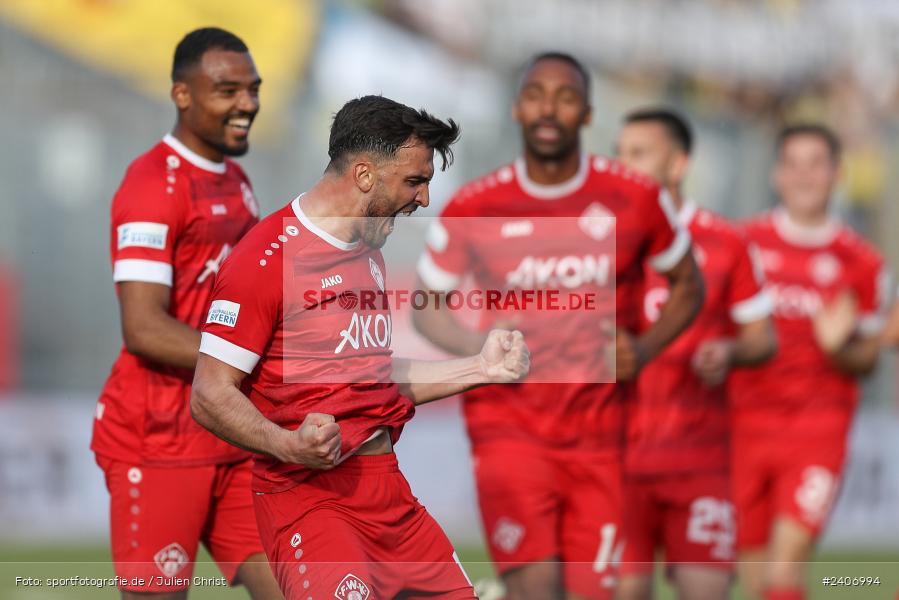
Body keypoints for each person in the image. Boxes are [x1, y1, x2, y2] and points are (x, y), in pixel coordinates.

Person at [190, 94, 530, 600]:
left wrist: (481, 367)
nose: (424, 200)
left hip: (387, 491)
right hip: (309, 500)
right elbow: (209, 393)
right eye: (415, 181)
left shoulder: (367, 252)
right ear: (366, 176)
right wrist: (288, 445)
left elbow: (370, 379)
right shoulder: (264, 259)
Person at [412, 53, 705, 600]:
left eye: (565, 97)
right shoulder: (478, 204)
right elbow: (426, 306)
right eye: (536, 95)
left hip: (603, 439)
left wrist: (642, 349)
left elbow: (690, 284)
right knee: (538, 589)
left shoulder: (635, 197)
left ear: (588, 113)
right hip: (509, 430)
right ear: (517, 109)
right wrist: (479, 349)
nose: (549, 108)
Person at [91, 28, 282, 599]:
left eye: (253, 89)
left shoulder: (237, 180)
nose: (247, 103)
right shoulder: (153, 184)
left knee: (296, 587)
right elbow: (144, 328)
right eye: (228, 90)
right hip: (160, 437)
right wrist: (249, 364)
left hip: (230, 430)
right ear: (182, 95)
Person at [614, 108, 777, 600]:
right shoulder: (601, 240)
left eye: (639, 154)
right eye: (619, 154)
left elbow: (763, 339)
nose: (624, 166)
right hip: (618, 459)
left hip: (700, 461)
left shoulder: (725, 241)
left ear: (678, 164)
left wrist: (729, 350)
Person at [730, 124, 889, 600]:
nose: (804, 176)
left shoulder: (861, 262)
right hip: (741, 429)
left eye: (815, 164)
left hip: (815, 433)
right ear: (777, 173)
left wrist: (840, 347)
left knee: (784, 571)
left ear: (836, 174)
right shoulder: (742, 244)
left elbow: (868, 361)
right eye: (793, 164)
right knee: (756, 580)